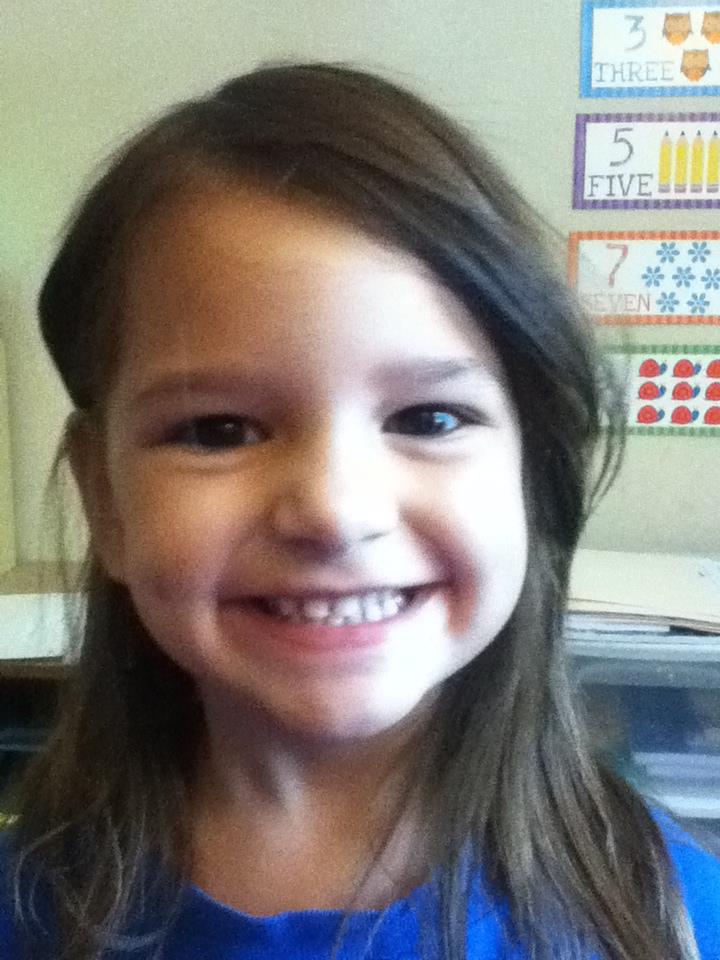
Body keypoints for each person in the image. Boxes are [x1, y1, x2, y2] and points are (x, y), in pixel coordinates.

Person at [1, 61, 719, 960]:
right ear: (104, 498)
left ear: (531, 474)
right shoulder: (27, 912)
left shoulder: (673, 920)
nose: (336, 512)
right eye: (219, 430)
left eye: (429, 418)